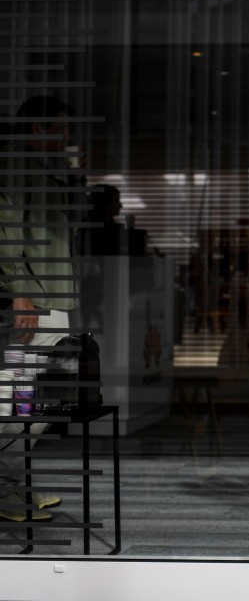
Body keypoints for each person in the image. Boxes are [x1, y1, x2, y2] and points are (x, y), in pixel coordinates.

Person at [0, 95, 80, 521]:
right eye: (60, 128)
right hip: (36, 302)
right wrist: (19, 292)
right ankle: (6, 490)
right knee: (21, 394)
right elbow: (7, 229)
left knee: (35, 395)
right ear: (37, 129)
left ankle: (12, 485)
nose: (67, 136)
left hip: (50, 299)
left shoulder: (41, 168)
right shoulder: (17, 166)